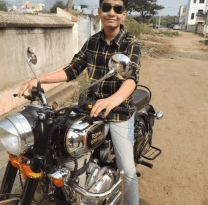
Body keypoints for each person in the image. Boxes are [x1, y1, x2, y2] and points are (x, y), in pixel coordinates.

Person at [18, 0, 141, 204]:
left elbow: (131, 78)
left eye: (117, 9)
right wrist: (37, 80)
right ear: (99, 11)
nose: (112, 12)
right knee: (60, 143)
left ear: (124, 14)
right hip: (91, 108)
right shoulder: (92, 41)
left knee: (127, 170)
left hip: (119, 110)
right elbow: (72, 69)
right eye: (107, 7)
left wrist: (113, 99)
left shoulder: (131, 43)